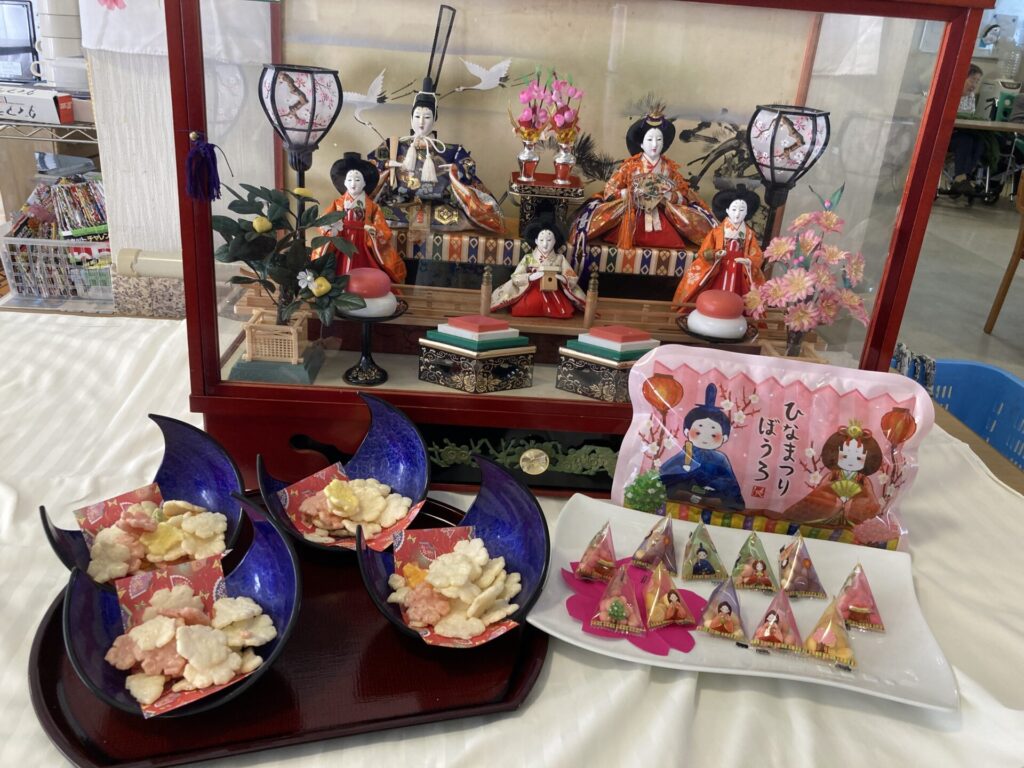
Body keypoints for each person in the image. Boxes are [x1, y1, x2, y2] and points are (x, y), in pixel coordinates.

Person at [367, 78, 503, 237]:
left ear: (435, 119)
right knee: (378, 213)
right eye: (417, 116)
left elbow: (468, 165)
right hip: (399, 203)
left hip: (438, 206)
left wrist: (456, 169)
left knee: (454, 217)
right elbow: (371, 163)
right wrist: (386, 165)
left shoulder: (450, 150)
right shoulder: (394, 145)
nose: (421, 122)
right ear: (411, 118)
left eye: (427, 117)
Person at [573, 105, 715, 253]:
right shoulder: (630, 167)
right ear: (641, 143)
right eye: (649, 139)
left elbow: (684, 195)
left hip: (661, 215)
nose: (654, 144)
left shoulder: (669, 169)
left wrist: (668, 196)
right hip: (632, 215)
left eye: (659, 139)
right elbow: (610, 190)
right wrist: (629, 194)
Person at [312, 152, 406, 283]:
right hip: (342, 238)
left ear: (364, 183)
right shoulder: (338, 203)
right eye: (349, 180)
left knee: (366, 272)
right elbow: (324, 220)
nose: (353, 184)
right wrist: (329, 227)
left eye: (357, 180)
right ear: (344, 183)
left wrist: (374, 231)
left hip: (363, 241)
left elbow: (382, 228)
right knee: (337, 268)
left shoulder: (372, 206)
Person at [673, 185, 765, 307]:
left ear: (747, 212)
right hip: (719, 266)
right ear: (727, 210)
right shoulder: (716, 232)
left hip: (740, 268)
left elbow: (757, 255)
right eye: (734, 209)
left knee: (739, 294)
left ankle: (736, 311)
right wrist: (715, 254)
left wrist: (748, 261)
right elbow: (704, 252)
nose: (737, 214)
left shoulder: (749, 234)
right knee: (713, 291)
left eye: (742, 210)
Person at [658, 384, 745, 511]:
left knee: (724, 499)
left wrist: (713, 483)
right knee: (673, 490)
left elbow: (729, 483)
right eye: (698, 432)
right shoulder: (686, 453)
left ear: (724, 438)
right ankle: (694, 498)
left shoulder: (720, 458)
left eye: (713, 435)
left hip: (710, 492)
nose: (705, 438)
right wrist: (684, 470)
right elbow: (665, 473)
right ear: (687, 432)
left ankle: (703, 501)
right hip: (687, 489)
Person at [781, 422, 883, 527]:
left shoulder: (863, 479)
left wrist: (852, 502)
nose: (851, 461)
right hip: (831, 509)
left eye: (858, 458)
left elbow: (870, 496)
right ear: (836, 454)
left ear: (866, 459)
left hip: (853, 510)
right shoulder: (833, 475)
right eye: (845, 456)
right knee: (824, 501)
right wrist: (834, 497)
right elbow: (821, 489)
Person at [490, 216, 586, 318]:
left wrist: (561, 278)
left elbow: (571, 276)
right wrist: (530, 277)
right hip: (532, 288)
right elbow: (516, 276)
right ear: (536, 241)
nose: (545, 244)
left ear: (555, 241)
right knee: (525, 307)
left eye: (549, 240)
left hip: (553, 289)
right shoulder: (528, 258)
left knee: (564, 309)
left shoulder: (560, 258)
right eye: (541, 240)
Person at [947, 64, 987, 195]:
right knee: (965, 140)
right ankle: (960, 178)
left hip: (963, 132)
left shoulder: (971, 96)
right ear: (962, 78)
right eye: (972, 80)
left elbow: (970, 118)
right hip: (947, 135)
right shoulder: (950, 93)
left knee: (979, 141)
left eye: (977, 81)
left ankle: (964, 178)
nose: (974, 85)